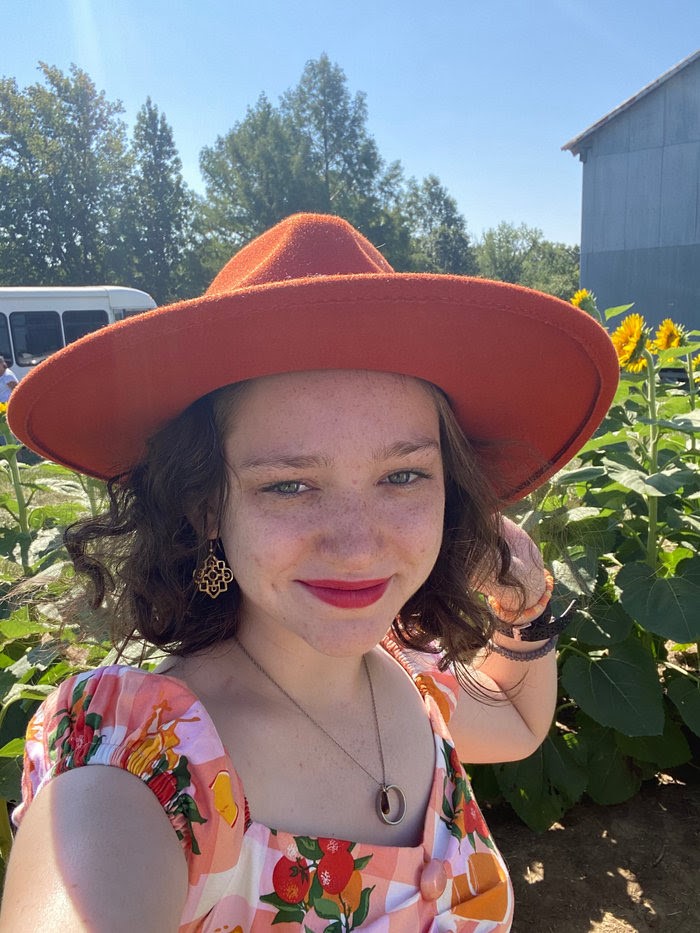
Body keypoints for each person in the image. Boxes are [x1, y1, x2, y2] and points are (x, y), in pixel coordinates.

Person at [1, 213, 618, 932]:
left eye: (404, 474)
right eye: (289, 485)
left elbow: (517, 720)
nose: (358, 546)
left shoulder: (406, 675)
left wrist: (523, 597)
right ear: (206, 505)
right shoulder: (142, 764)